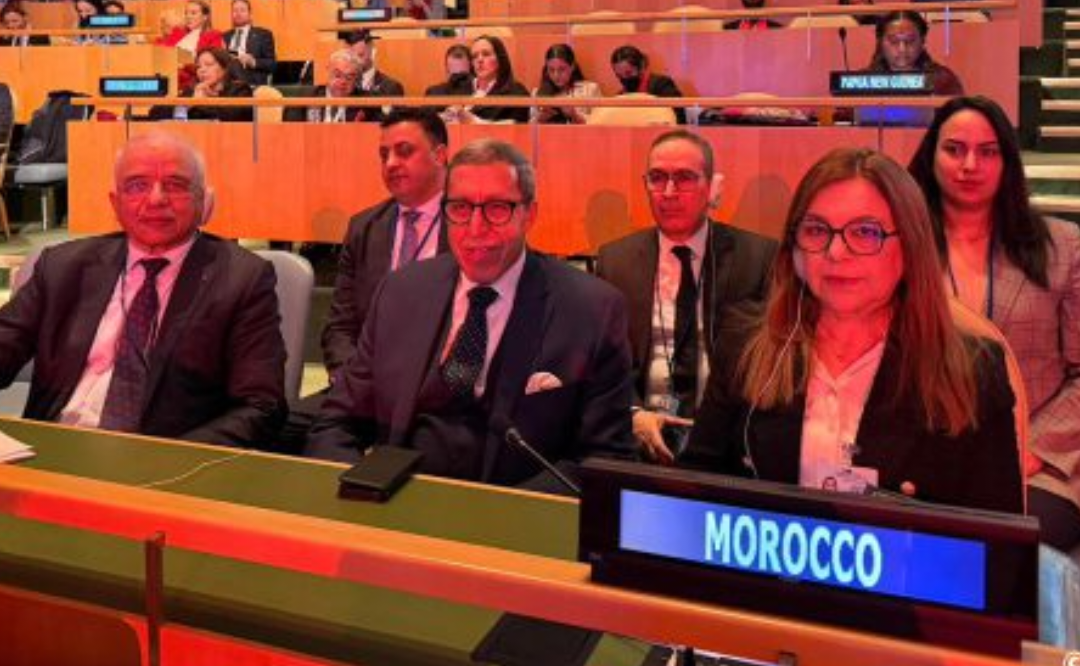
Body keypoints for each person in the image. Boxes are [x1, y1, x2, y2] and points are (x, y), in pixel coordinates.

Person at [686, 147, 1023, 514]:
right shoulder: (744, 343)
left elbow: (996, 537)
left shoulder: (974, 370)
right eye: (817, 230)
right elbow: (696, 494)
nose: (835, 252)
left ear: (910, 247)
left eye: (865, 232)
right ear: (795, 250)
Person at [307, 139, 635, 492]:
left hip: (514, 512)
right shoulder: (400, 292)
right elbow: (337, 422)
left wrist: (503, 515)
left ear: (530, 215)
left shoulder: (592, 309)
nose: (475, 228)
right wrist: (357, 494)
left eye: (497, 208)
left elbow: (603, 458)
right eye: (460, 208)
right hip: (395, 502)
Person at [0, 132, 287, 448]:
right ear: (115, 203)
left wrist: (168, 460)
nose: (156, 199)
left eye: (175, 185)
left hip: (168, 460)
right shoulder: (63, 266)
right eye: (137, 186)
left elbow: (262, 406)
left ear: (204, 201)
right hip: (52, 449)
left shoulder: (242, 280)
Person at [908, 96, 1080, 550]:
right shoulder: (899, 245)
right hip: (923, 451)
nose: (970, 165)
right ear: (931, 155)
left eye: (988, 152)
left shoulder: (1065, 247)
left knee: (1003, 548)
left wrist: (1033, 450)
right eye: (954, 149)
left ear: (1008, 162)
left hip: (1034, 462)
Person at [596, 130, 777, 464]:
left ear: (711, 186)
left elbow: (766, 362)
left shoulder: (758, 257)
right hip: (639, 438)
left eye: (684, 178)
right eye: (657, 178)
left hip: (725, 446)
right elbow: (605, 359)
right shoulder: (615, 260)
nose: (668, 192)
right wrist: (633, 413)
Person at [278, 109, 454, 451]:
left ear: (440, 155)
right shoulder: (365, 227)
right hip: (364, 387)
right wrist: (350, 378)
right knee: (277, 427)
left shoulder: (466, 225)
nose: (391, 163)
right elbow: (340, 324)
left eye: (404, 151)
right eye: (384, 155)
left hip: (435, 396)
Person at [433, 35, 530, 124]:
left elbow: (514, 128)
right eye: (475, 56)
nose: (479, 60)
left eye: (486, 54)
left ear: (500, 59)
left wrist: (473, 121)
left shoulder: (516, 92)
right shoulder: (460, 84)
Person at [864, 10, 963, 96]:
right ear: (880, 42)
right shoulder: (863, 81)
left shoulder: (942, 80)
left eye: (910, 41)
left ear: (922, 42)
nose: (902, 49)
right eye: (894, 41)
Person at [150, 47, 253, 122]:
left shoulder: (240, 89)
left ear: (224, 69)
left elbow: (231, 117)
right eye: (198, 67)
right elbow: (154, 113)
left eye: (208, 65)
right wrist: (187, 105)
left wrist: (200, 102)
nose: (202, 70)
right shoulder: (192, 90)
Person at [610, 45, 685, 125]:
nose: (624, 79)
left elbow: (678, 115)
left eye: (629, 73)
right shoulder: (621, 96)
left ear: (641, 67)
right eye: (619, 76)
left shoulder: (662, 85)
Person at [283, 49, 364, 123]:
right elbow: (291, 130)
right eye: (337, 75)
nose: (343, 81)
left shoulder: (365, 104)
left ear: (357, 80)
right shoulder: (303, 98)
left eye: (349, 78)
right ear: (328, 73)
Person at [341, 28, 404, 122]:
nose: (356, 61)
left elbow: (394, 121)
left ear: (372, 52)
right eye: (351, 56)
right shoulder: (344, 85)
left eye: (360, 55)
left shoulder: (391, 87)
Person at [532, 43, 601, 125]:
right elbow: (528, 128)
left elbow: (599, 123)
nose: (556, 75)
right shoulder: (537, 93)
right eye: (551, 70)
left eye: (562, 69)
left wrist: (575, 116)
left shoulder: (590, 89)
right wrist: (541, 119)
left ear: (572, 67)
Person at [223, 0, 276, 87]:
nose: (238, 13)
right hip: (229, 82)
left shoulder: (263, 35)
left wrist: (253, 62)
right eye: (235, 10)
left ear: (250, 14)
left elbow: (272, 64)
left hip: (252, 81)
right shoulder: (224, 36)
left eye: (242, 10)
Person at [158, 0, 224, 55]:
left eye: (193, 13)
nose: (188, 16)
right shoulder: (178, 32)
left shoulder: (213, 35)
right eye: (186, 13)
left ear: (205, 17)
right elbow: (163, 51)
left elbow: (211, 60)